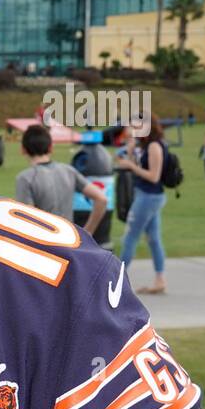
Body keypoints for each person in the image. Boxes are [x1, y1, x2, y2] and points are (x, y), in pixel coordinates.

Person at [14, 123, 106, 237]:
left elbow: (27, 220)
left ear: (23, 150)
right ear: (50, 148)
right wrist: (88, 232)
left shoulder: (25, 178)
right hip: (68, 242)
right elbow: (101, 199)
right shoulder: (68, 171)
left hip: (43, 244)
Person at [115, 118, 168, 294]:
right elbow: (121, 159)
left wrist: (131, 165)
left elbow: (154, 176)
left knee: (130, 236)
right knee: (153, 238)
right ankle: (160, 280)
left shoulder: (154, 146)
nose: (134, 129)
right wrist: (130, 153)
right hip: (147, 195)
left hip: (149, 197)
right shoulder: (144, 145)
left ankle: (116, 279)